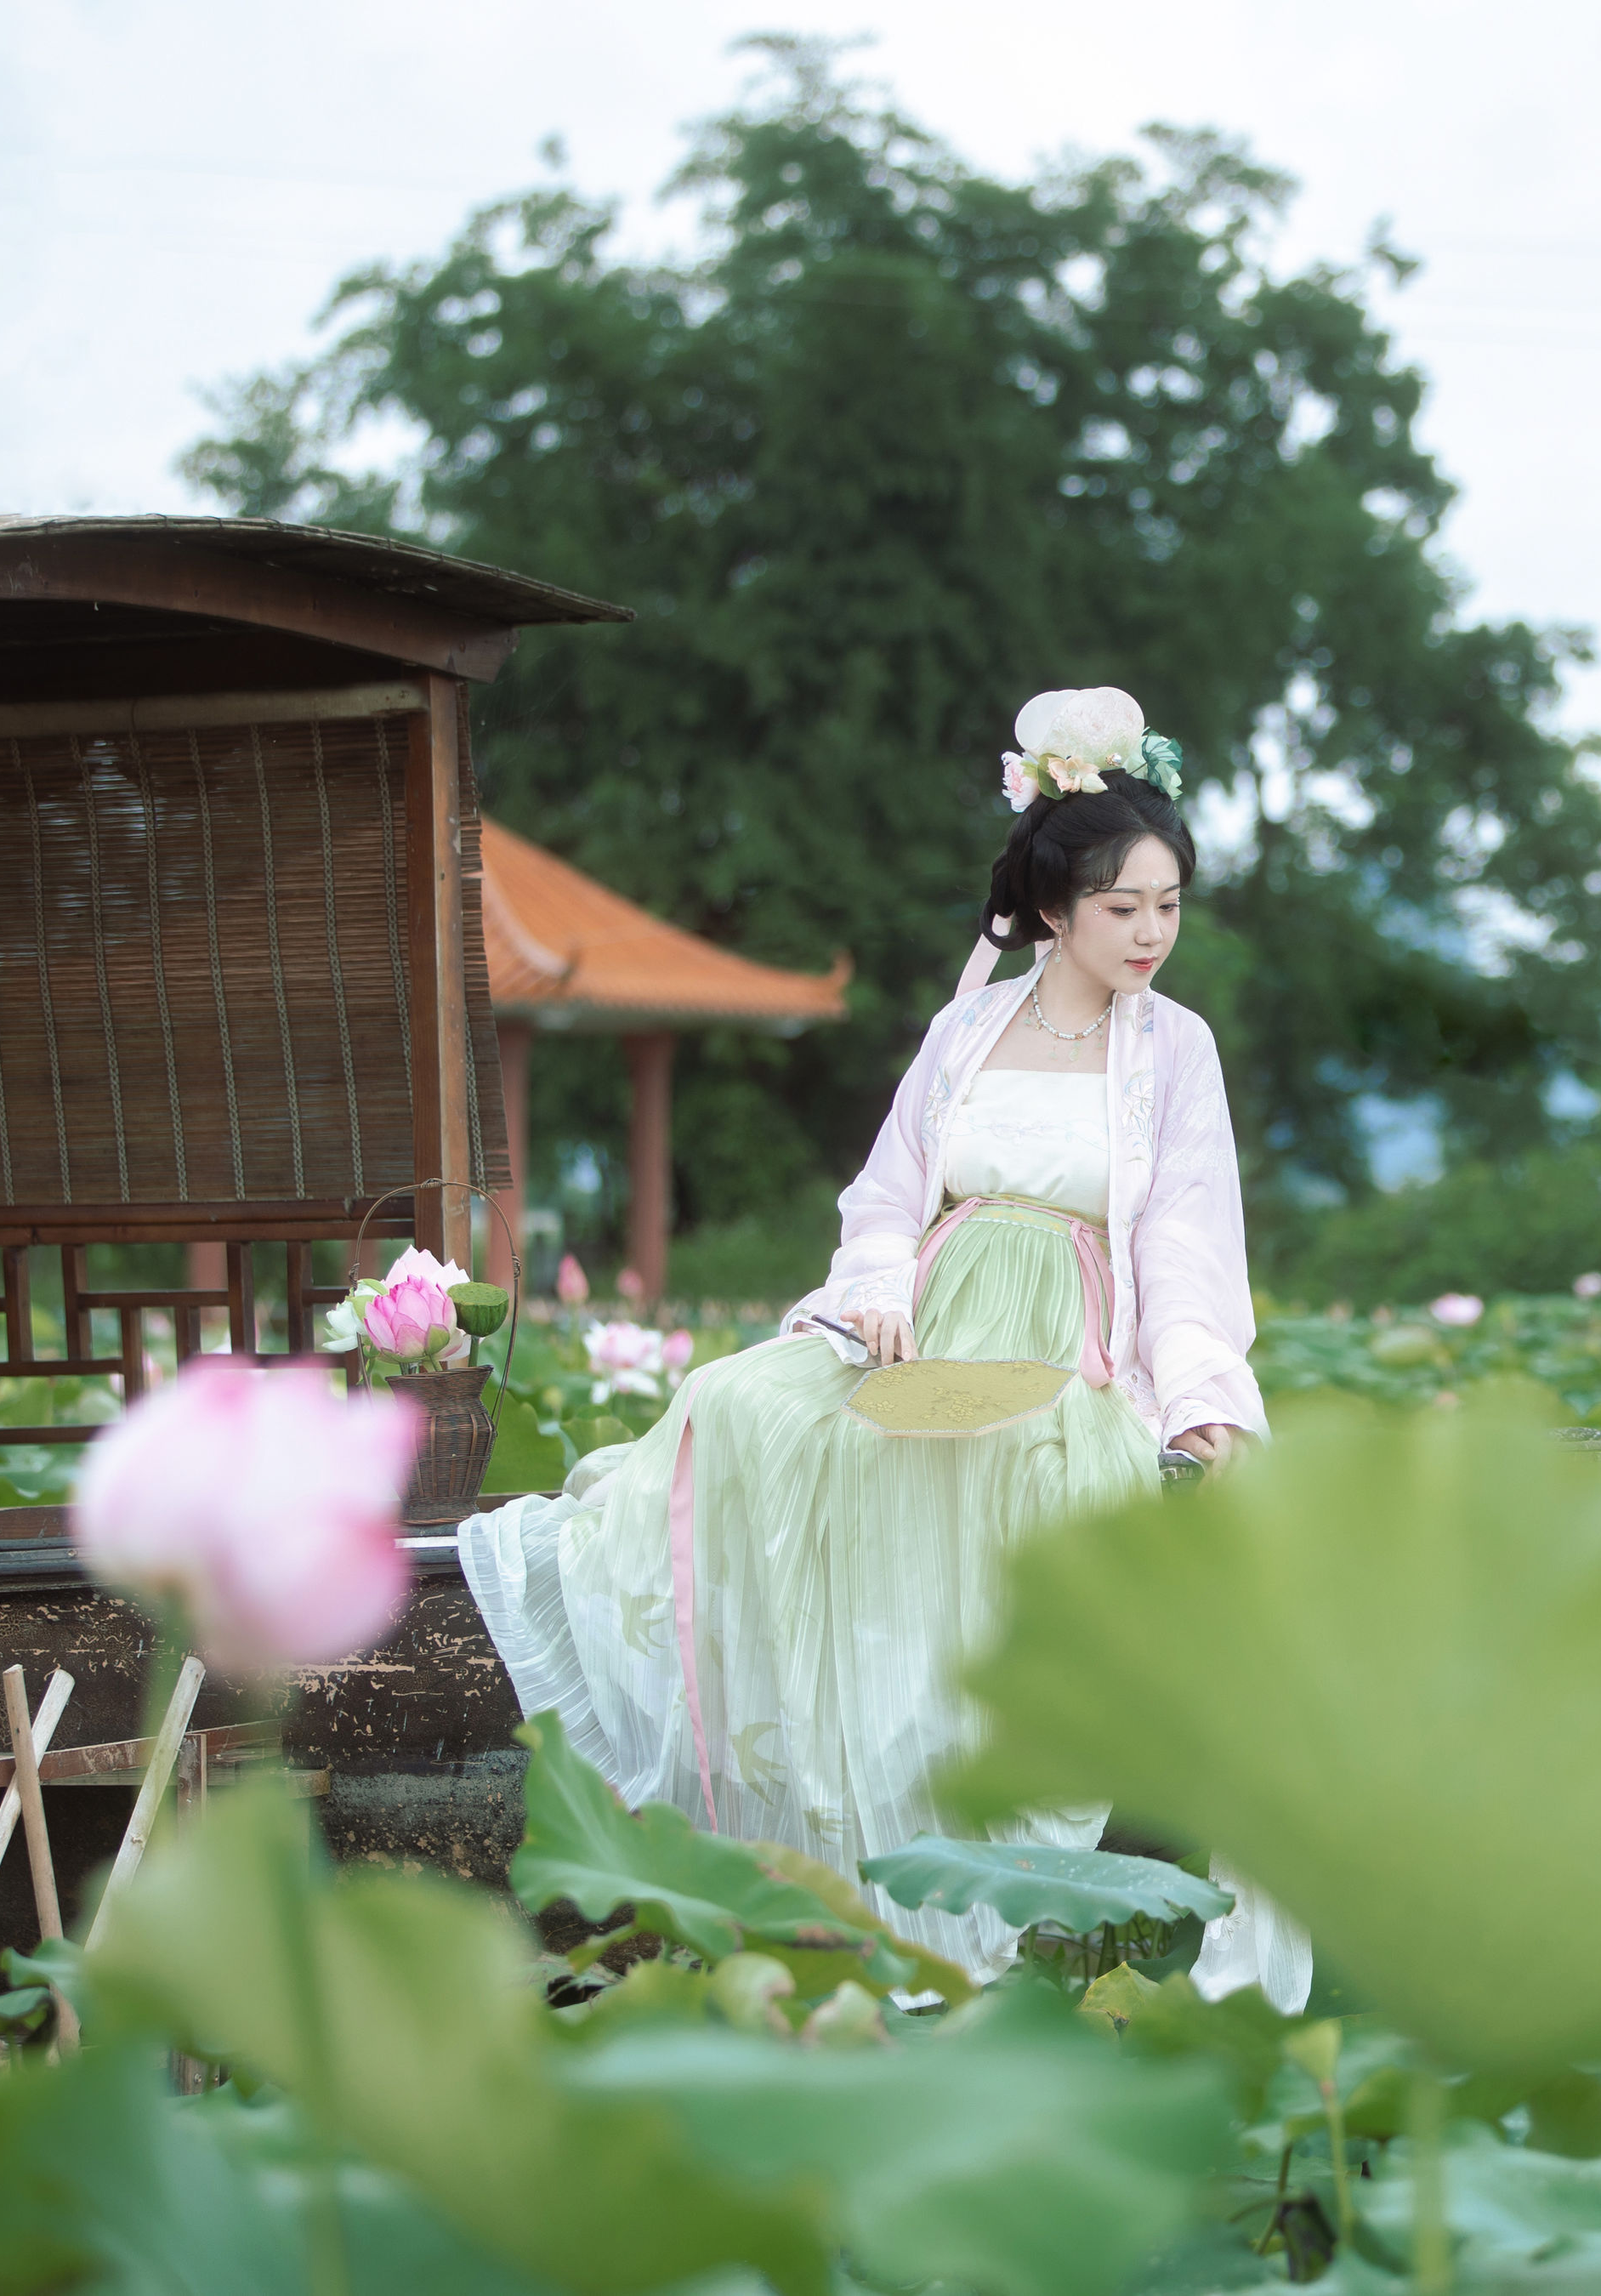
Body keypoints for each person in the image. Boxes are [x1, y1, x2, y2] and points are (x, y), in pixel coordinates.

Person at [460, 688, 1302, 2000]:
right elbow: (886, 1199)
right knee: (735, 1412)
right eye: (1125, 906)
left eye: (1171, 905)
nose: (1151, 933)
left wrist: (1202, 1402)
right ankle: (804, 1850)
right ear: (1055, 906)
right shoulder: (965, 1030)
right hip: (929, 1318)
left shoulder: (1172, 1052)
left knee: (1036, 1484)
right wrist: (874, 1295)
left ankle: (971, 1876)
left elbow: (1185, 1245)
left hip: (1068, 1347)